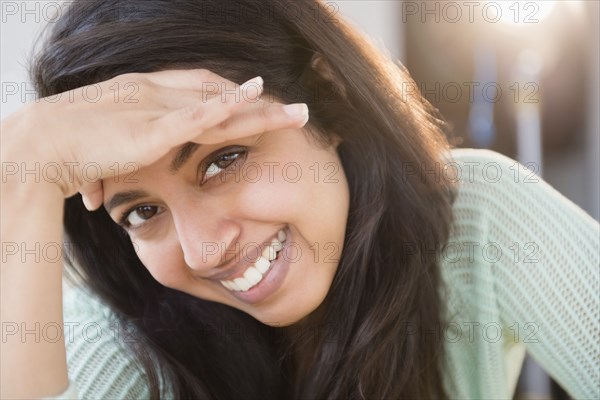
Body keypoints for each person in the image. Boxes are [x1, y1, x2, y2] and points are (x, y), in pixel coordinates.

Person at [1, 0, 598, 399]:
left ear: (328, 96)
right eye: (143, 212)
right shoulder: (115, 334)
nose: (205, 251)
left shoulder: (476, 217)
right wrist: (18, 171)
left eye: (222, 160)